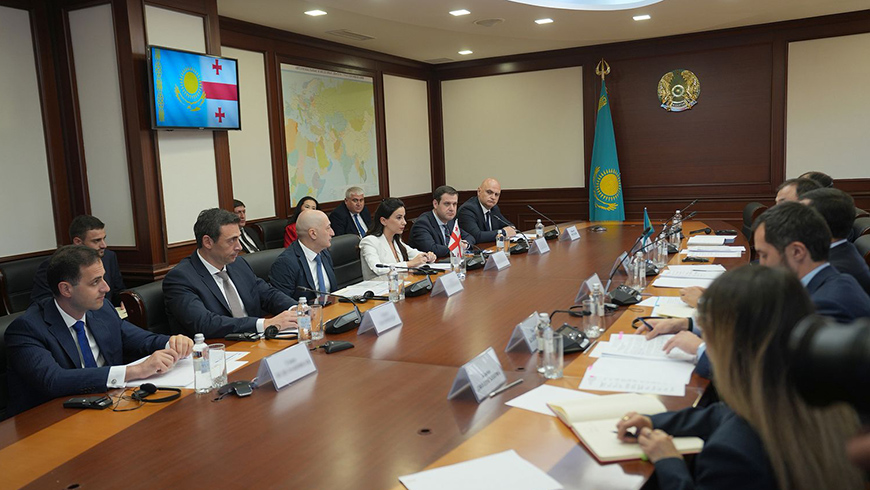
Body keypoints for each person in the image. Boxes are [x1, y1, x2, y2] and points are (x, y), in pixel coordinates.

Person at [617, 266, 864, 490]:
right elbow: (726, 414)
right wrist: (655, 421)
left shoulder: (731, 454)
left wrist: (669, 462)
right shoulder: (816, 391)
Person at [640, 202, 870, 375]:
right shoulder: (810, 283)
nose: (760, 264)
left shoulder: (829, 304)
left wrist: (702, 350)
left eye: (764, 255)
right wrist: (688, 324)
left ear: (797, 252)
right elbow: (758, 326)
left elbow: (771, 375)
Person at [5, 245, 193, 417]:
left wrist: (172, 343)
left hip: (108, 406)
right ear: (66, 289)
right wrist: (134, 371)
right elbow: (54, 380)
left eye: (103, 277)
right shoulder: (27, 329)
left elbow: (140, 339)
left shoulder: (102, 310)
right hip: (51, 421)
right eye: (95, 282)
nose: (106, 287)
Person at [163, 208, 297, 339]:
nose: (239, 247)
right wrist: (264, 324)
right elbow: (204, 323)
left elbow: (268, 294)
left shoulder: (238, 264)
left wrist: (297, 309)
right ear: (208, 242)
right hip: (218, 348)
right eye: (231, 240)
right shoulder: (180, 278)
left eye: (238, 238)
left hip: (255, 342)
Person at [32, 215, 127, 306]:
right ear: (78, 242)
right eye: (96, 240)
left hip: (106, 313)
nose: (104, 245)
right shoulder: (54, 264)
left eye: (104, 239)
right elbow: (41, 303)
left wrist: (123, 301)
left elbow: (117, 291)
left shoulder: (109, 256)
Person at [801, 188, 870, 295]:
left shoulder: (836, 271)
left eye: (801, 217)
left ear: (819, 225)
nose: (794, 222)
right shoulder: (837, 252)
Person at [359, 198, 436, 280]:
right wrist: (409, 264)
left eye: (404, 217)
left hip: (398, 284)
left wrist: (428, 256)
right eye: (399, 218)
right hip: (378, 286)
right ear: (383, 221)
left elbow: (415, 254)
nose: (404, 222)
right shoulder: (369, 242)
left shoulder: (396, 240)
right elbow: (378, 269)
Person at [270, 210, 337, 302]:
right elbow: (282, 303)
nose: (332, 233)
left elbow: (333, 292)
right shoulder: (285, 263)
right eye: (328, 228)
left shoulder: (324, 253)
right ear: (313, 233)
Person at [410, 185, 476, 258]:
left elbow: (469, 237)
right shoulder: (422, 224)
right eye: (447, 204)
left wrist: (465, 245)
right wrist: (457, 247)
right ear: (435, 204)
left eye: (454, 204)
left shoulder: (450, 221)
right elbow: (433, 249)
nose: (452, 208)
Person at [458, 178, 516, 243]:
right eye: (489, 192)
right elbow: (477, 236)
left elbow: (509, 226)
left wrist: (509, 230)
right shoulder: (467, 209)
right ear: (479, 191)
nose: (493, 197)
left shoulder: (494, 208)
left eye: (496, 194)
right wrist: (503, 232)